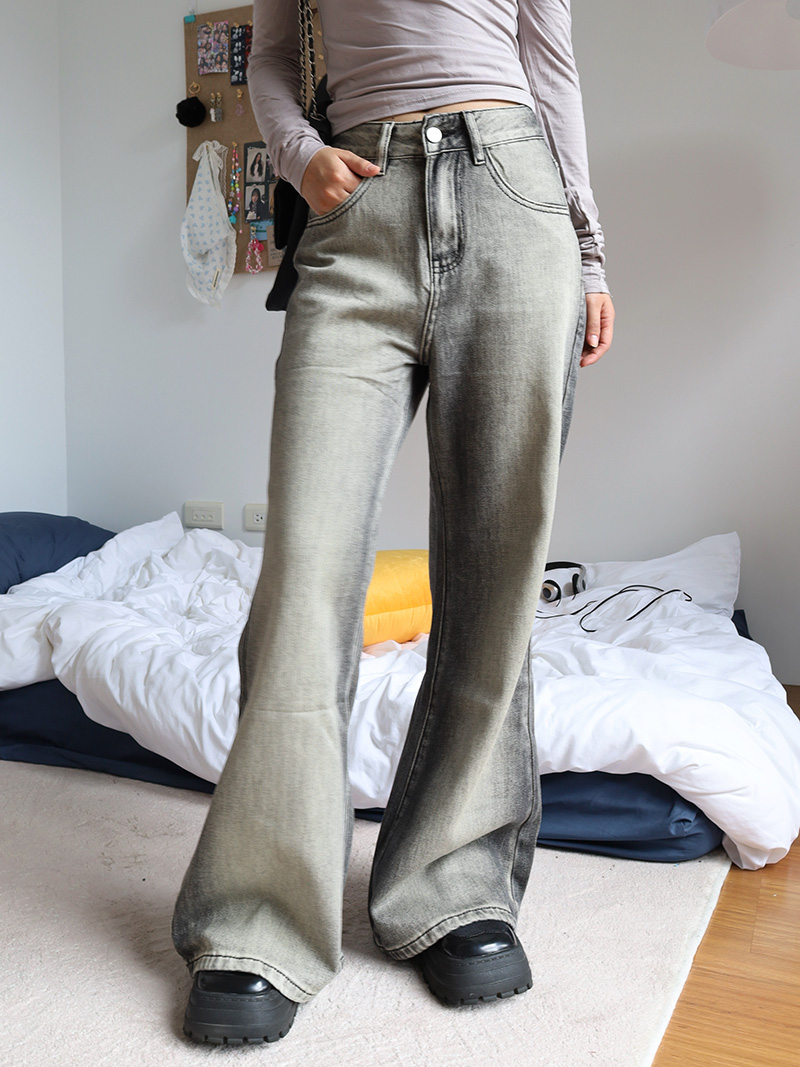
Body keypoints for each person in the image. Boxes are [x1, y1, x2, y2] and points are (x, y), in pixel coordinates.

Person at [172, 0, 615, 1046]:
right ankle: (259, 912)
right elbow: (269, 62)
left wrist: (590, 254)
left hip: (515, 197)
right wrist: (297, 157)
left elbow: (549, 68)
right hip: (357, 213)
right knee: (304, 571)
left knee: (496, 569)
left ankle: (451, 885)